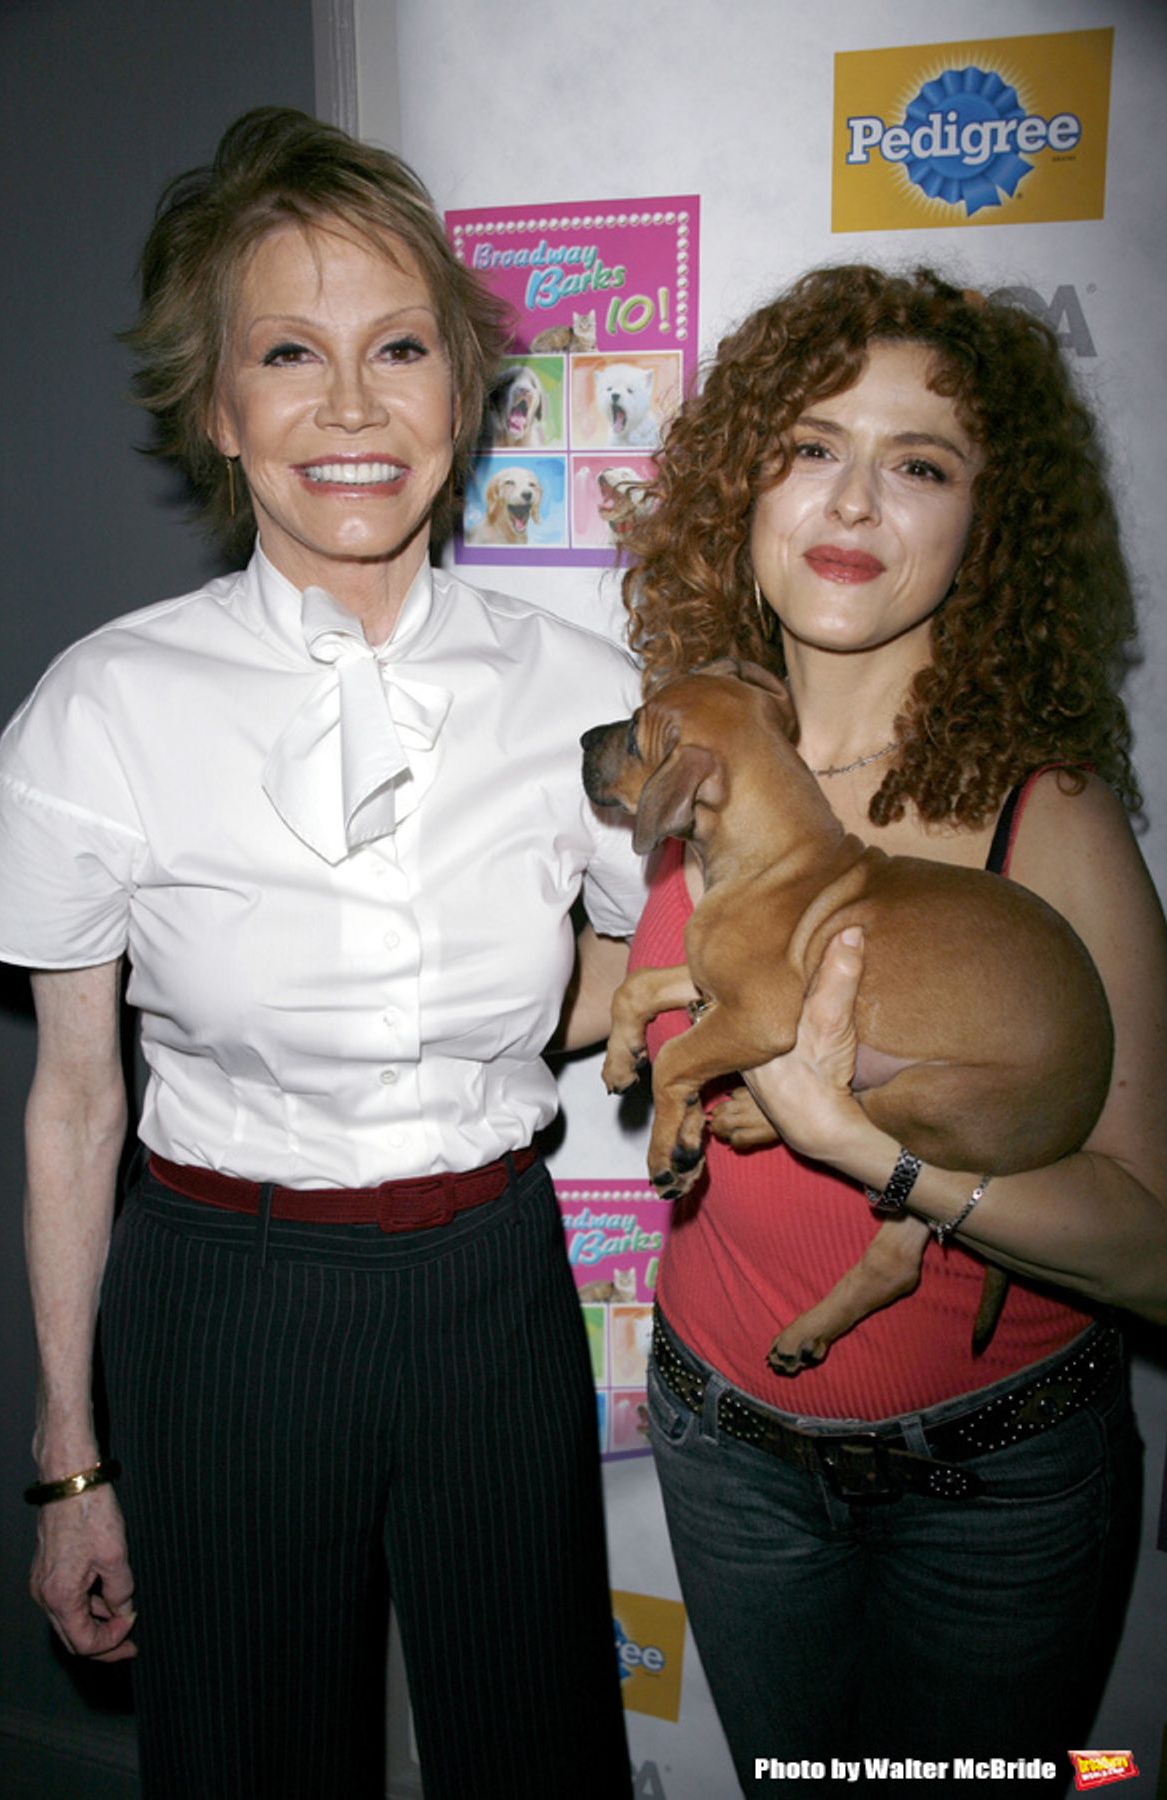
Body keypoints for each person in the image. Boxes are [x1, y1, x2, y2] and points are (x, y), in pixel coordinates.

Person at [0, 108, 641, 1800]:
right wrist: (70, 1460)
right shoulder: (103, 708)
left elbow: (654, 971)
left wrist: (483, 1031)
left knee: (537, 1756)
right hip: (225, 1301)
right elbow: (69, 1100)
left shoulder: (584, 689)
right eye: (289, 352)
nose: (351, 407)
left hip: (497, 1287)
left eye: (400, 348)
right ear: (220, 406)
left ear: (464, 392)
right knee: (252, 1766)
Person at [619, 265, 1167, 1795]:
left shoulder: (1044, 816)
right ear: (744, 483)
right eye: (809, 445)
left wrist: (881, 1158)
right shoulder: (710, 756)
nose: (853, 497)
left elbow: (1156, 1242)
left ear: (988, 525)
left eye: (919, 463)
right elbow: (656, 982)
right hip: (721, 1452)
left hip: (986, 1493)